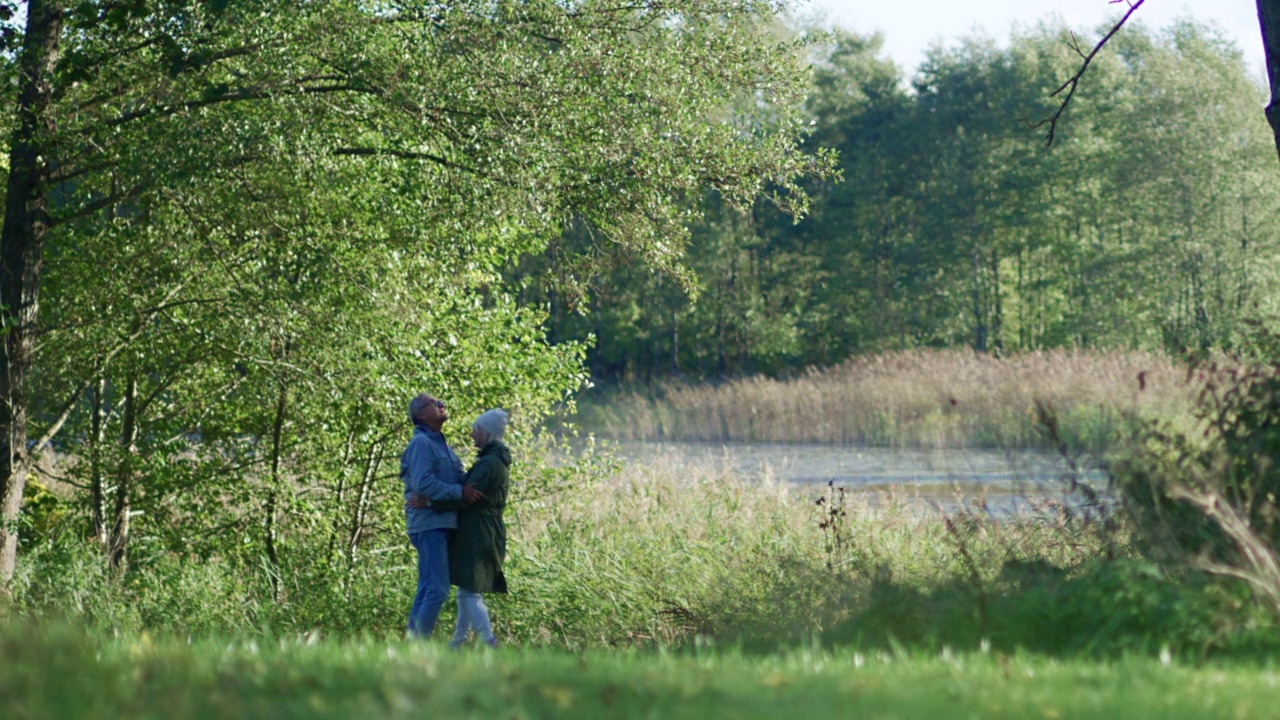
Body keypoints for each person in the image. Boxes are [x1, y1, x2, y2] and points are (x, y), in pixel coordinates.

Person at [400, 392, 482, 639]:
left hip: (438, 522)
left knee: (427, 587)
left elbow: (456, 480)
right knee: (437, 588)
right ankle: (418, 647)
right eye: (434, 404)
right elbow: (423, 482)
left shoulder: (441, 445)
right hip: (428, 525)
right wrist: (459, 492)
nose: (441, 404)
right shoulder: (421, 444)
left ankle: (411, 644)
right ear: (421, 415)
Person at [447, 409, 511, 648]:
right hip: (480, 530)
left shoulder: (490, 464)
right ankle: (458, 642)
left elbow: (466, 497)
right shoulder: (490, 460)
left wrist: (430, 501)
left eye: (476, 430)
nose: (472, 435)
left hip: (480, 532)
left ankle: (489, 642)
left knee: (469, 593)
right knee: (466, 591)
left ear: (486, 433)